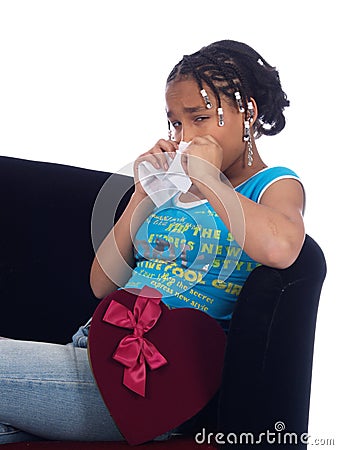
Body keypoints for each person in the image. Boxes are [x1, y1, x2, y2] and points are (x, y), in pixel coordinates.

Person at [0, 39, 305, 444]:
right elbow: (102, 283)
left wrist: (210, 181)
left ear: (247, 113)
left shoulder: (273, 185)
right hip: (91, 348)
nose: (184, 136)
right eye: (176, 124)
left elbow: (282, 249)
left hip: (152, 383)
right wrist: (144, 195)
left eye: (198, 118)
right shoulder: (173, 195)